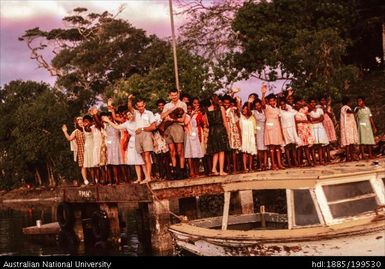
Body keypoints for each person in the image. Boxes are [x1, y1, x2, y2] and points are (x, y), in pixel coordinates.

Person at [129, 96, 156, 183]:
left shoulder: (149, 113)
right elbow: (129, 107)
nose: (141, 108)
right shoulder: (136, 113)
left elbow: (153, 126)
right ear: (137, 106)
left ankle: (148, 177)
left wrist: (143, 129)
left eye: (142, 106)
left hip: (146, 135)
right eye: (139, 106)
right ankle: (147, 176)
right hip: (138, 136)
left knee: (147, 155)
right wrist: (129, 99)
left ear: (144, 105)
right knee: (143, 156)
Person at [161, 89, 188, 179]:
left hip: (178, 127)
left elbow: (182, 119)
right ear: (169, 95)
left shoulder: (182, 104)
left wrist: (172, 119)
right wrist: (170, 111)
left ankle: (182, 171)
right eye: (172, 95)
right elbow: (162, 116)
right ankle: (175, 171)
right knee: (172, 151)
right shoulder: (167, 105)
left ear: (178, 94)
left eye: (175, 95)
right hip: (168, 128)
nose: (174, 97)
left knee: (180, 151)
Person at [204, 94, 230, 176]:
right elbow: (225, 121)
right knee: (221, 151)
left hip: (212, 131)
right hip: (220, 129)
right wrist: (228, 132)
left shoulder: (207, 110)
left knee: (215, 151)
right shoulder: (221, 108)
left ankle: (214, 169)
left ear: (210, 101)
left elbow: (207, 123)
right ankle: (221, 171)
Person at [261, 84, 285, 170]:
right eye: (270, 101)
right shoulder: (266, 107)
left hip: (277, 127)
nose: (272, 102)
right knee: (272, 147)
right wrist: (263, 94)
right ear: (268, 101)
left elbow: (279, 119)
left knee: (278, 146)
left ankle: (279, 164)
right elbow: (262, 103)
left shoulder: (277, 109)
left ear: (275, 101)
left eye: (273, 101)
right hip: (270, 128)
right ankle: (273, 165)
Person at [62, 117, 89, 185]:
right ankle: (85, 180)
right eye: (79, 123)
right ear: (77, 124)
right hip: (81, 150)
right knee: (83, 165)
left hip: (89, 148)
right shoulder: (76, 131)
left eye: (81, 122)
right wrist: (65, 132)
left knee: (92, 164)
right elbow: (69, 138)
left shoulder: (87, 129)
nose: (81, 124)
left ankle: (95, 179)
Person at [223, 95, 241, 173]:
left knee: (234, 150)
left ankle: (235, 168)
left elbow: (238, 109)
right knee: (227, 151)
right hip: (225, 130)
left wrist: (238, 101)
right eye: (225, 103)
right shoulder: (222, 110)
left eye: (228, 103)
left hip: (233, 130)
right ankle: (229, 168)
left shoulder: (232, 110)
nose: (226, 104)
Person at [279, 99, 301, 167]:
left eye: (284, 104)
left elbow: (295, 121)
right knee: (287, 146)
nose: (283, 106)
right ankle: (289, 162)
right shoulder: (280, 112)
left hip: (292, 129)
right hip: (285, 129)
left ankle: (295, 161)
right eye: (281, 104)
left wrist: (296, 131)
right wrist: (281, 132)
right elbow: (280, 123)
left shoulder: (291, 111)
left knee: (293, 146)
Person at [184, 103, 204, 177]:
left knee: (196, 153)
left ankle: (197, 171)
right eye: (187, 109)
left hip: (195, 135)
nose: (189, 110)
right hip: (188, 135)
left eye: (190, 109)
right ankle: (191, 171)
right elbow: (185, 123)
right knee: (189, 154)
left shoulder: (196, 115)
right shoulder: (185, 116)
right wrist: (191, 115)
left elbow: (200, 123)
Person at [308, 98, 329, 165]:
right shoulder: (309, 111)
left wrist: (315, 120)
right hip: (313, 127)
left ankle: (320, 160)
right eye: (311, 102)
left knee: (320, 144)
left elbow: (322, 118)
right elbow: (310, 120)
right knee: (314, 145)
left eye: (314, 102)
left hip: (319, 127)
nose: (313, 103)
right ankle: (314, 161)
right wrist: (317, 119)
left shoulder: (320, 109)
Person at [153, 99, 170, 179]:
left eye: (162, 105)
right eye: (159, 105)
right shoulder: (155, 115)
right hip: (158, 137)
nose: (161, 107)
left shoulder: (167, 114)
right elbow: (154, 127)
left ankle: (168, 174)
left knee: (167, 156)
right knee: (159, 157)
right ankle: (162, 174)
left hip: (166, 136)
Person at [340, 97, 359, 162]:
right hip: (347, 128)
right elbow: (349, 111)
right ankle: (348, 157)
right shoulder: (345, 107)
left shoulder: (345, 107)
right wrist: (355, 111)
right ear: (348, 102)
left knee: (351, 143)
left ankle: (351, 156)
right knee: (348, 143)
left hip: (349, 127)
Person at [239, 103, 257, 172]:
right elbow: (238, 109)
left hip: (251, 136)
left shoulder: (251, 117)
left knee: (251, 152)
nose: (244, 110)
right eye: (243, 108)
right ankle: (245, 168)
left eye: (246, 109)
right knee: (244, 152)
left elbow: (255, 128)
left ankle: (250, 167)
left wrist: (249, 103)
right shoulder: (241, 117)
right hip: (244, 136)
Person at [253, 99, 268, 170]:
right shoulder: (254, 112)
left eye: (258, 105)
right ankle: (260, 165)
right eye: (256, 106)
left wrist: (263, 93)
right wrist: (249, 103)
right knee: (260, 149)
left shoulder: (264, 111)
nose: (257, 107)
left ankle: (265, 164)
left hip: (265, 131)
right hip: (258, 131)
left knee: (265, 149)